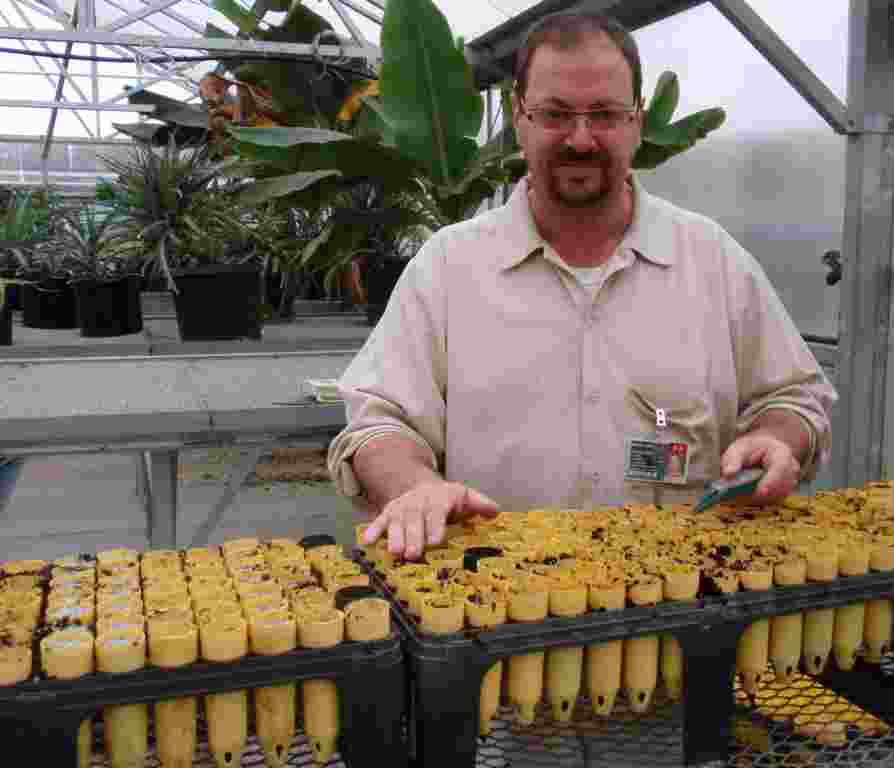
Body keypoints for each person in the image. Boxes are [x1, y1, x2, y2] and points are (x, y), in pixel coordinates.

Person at [327, 11, 838, 561]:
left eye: (605, 114)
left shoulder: (711, 260)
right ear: (520, 119)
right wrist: (413, 488)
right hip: (492, 606)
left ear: (637, 123)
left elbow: (793, 396)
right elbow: (379, 423)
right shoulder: (449, 268)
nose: (580, 138)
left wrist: (780, 437)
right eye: (554, 114)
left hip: (681, 601)